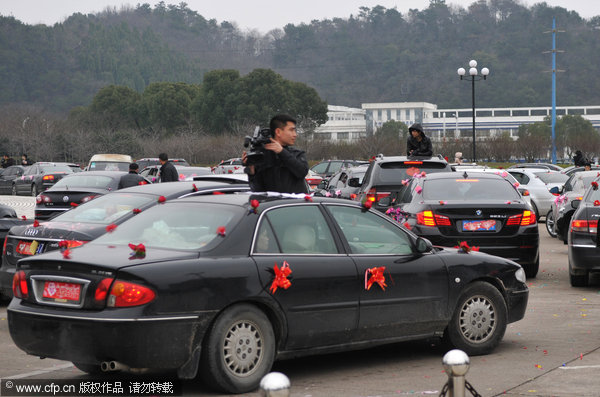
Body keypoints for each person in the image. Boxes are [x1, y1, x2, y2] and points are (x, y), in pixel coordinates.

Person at [242, 114, 309, 194]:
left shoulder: (297, 154)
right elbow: (257, 190)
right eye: (291, 130)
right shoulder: (263, 155)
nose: (295, 134)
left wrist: (282, 152)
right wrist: (251, 172)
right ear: (278, 132)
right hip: (274, 205)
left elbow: (302, 172)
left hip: (294, 205)